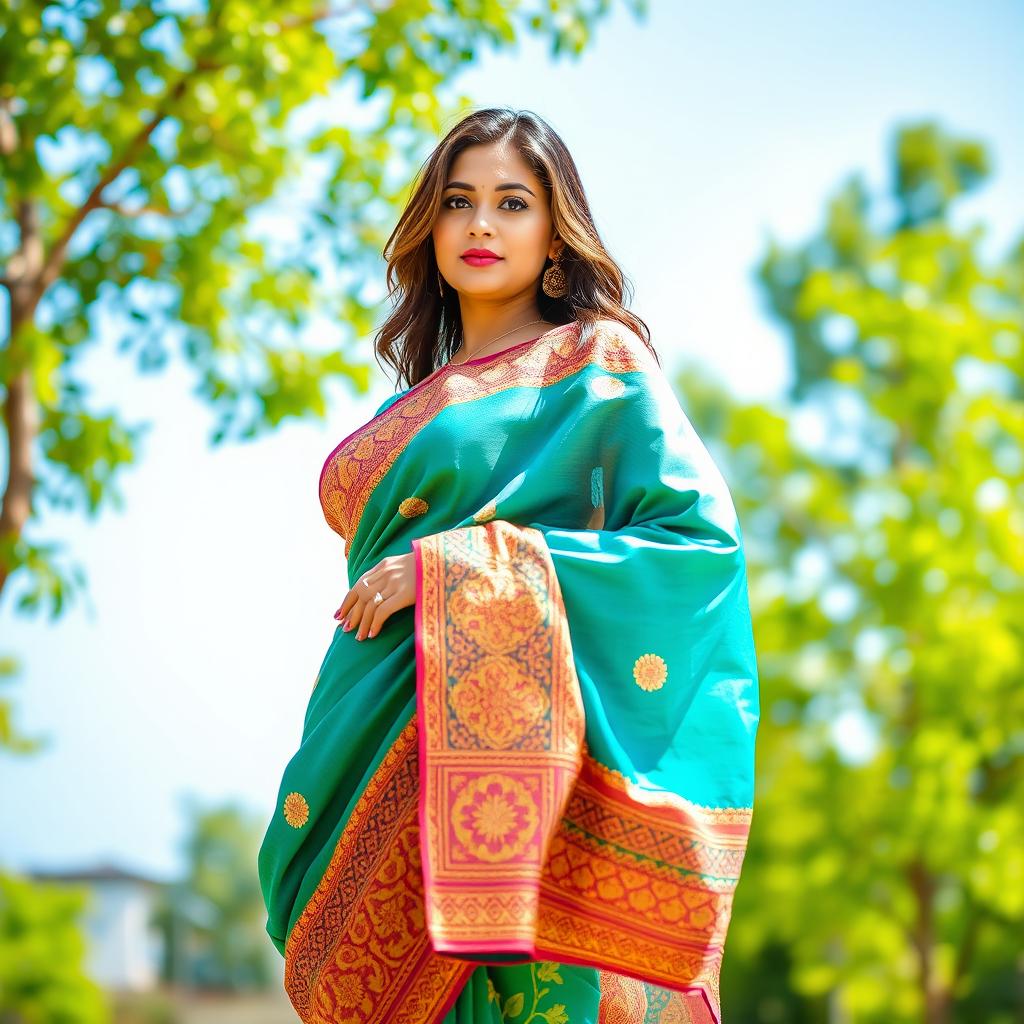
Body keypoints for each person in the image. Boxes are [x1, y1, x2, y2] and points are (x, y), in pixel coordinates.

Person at [258, 107, 760, 1024]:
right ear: (431, 227)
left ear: (553, 232)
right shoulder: (418, 400)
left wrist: (453, 571)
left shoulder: (595, 360)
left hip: (510, 759)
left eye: (512, 202)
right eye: (458, 201)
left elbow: (696, 547)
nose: (481, 225)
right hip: (368, 730)